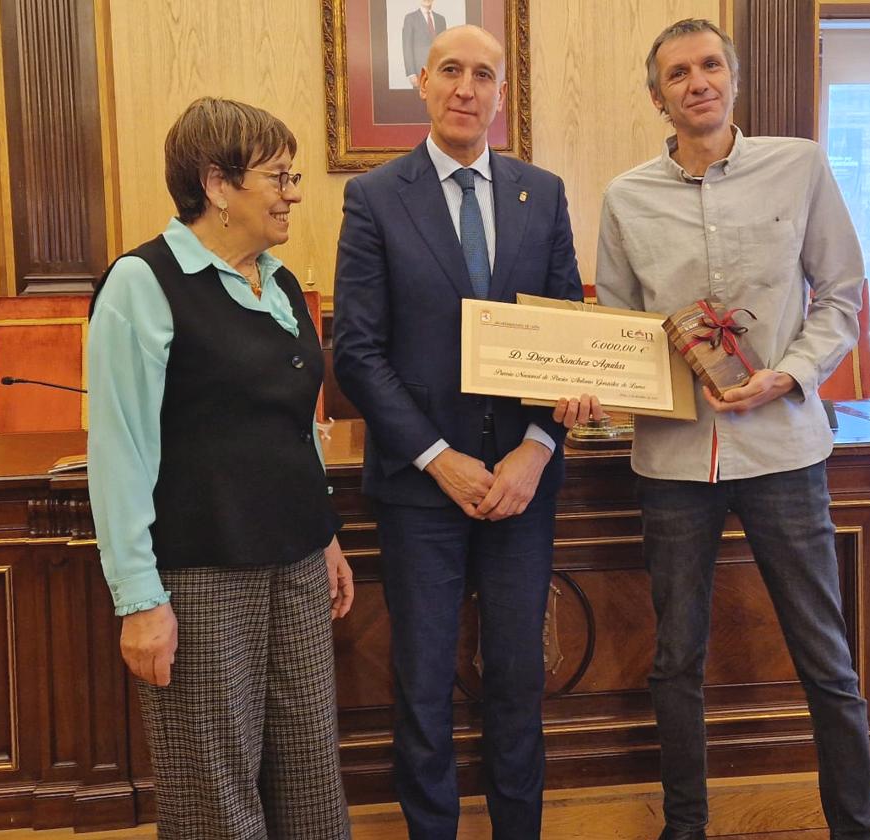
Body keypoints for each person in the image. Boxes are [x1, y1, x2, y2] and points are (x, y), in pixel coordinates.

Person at [594, 19, 870, 840]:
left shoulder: (801, 167)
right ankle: (685, 828)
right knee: (675, 661)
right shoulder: (626, 197)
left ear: (733, 77)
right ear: (659, 96)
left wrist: (786, 374)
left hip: (785, 449)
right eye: (678, 72)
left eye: (711, 65)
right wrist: (594, 387)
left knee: (826, 660)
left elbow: (841, 298)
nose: (698, 81)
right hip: (674, 462)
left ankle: (856, 830)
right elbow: (617, 328)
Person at [333, 25, 597, 840]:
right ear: (422, 80)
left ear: (500, 96)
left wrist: (537, 448)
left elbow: (565, 340)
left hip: (525, 483)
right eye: (451, 70)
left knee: (519, 678)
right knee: (421, 686)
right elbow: (358, 351)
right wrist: (439, 458)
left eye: (484, 74)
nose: (466, 88)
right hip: (421, 487)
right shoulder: (376, 196)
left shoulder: (541, 193)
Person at [86, 97, 354, 840]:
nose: (294, 191)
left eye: (293, 174)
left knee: (310, 779)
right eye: (278, 175)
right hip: (200, 577)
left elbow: (295, 428)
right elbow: (118, 453)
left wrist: (324, 532)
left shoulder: (284, 283)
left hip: (296, 564)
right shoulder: (142, 283)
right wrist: (139, 600)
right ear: (217, 184)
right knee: (215, 796)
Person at [402, 0, 447, 88]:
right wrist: (411, 73)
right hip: (420, 72)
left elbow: (444, 46)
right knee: (418, 100)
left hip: (439, 71)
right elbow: (407, 47)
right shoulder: (410, 18)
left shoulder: (441, 19)